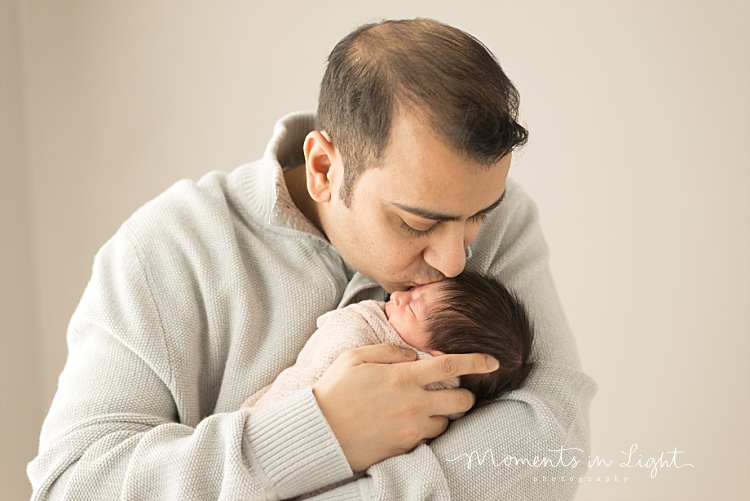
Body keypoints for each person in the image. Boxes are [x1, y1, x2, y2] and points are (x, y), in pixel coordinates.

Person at [28, 18, 596, 500]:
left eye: (477, 216)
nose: (455, 260)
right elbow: (74, 483)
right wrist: (321, 432)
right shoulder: (170, 246)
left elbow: (550, 443)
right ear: (324, 168)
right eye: (416, 223)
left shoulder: (499, 215)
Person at [243, 271, 535, 414]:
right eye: (414, 290)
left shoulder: (365, 334)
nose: (397, 295)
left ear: (436, 361)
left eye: (412, 306)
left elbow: (337, 330)